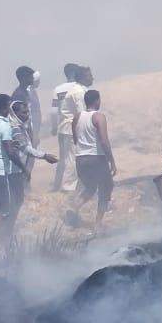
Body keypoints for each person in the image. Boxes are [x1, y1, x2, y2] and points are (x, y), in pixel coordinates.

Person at [0, 94, 34, 233]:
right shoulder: (5, 126)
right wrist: (24, 169)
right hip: (0, 172)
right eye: (9, 107)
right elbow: (10, 152)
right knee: (6, 208)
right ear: (4, 109)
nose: (10, 110)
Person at [66, 89, 116, 228]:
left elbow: (75, 138)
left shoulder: (77, 117)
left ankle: (75, 207)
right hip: (96, 158)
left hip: (81, 159)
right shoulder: (99, 117)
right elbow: (104, 141)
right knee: (106, 187)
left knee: (91, 187)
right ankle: (98, 224)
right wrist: (111, 160)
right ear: (97, 101)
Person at [8, 100, 58, 188]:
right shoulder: (15, 128)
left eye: (28, 112)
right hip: (14, 170)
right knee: (16, 197)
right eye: (23, 112)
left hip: (16, 169)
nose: (27, 115)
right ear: (14, 113)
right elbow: (25, 148)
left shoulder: (20, 126)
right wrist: (44, 156)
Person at [51, 64, 84, 192]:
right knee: (72, 158)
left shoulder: (58, 89)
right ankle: (68, 187)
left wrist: (54, 127)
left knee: (63, 158)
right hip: (74, 127)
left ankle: (57, 185)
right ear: (76, 73)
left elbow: (53, 111)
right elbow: (81, 111)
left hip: (62, 127)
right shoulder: (79, 89)